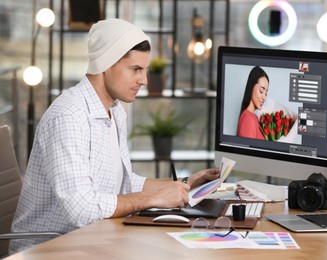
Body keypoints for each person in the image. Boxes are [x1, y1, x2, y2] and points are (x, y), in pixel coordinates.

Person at [10, 19, 219, 254]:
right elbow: (83, 209)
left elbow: (124, 183)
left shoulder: (114, 111)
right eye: (135, 69)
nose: (144, 81)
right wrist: (154, 199)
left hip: (91, 240)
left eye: (145, 70)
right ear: (106, 65)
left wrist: (184, 183)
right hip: (49, 249)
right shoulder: (69, 116)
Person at [237, 66, 269, 139]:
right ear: (251, 86)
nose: (264, 97)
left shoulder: (252, 117)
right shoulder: (249, 119)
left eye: (266, 93)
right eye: (261, 91)